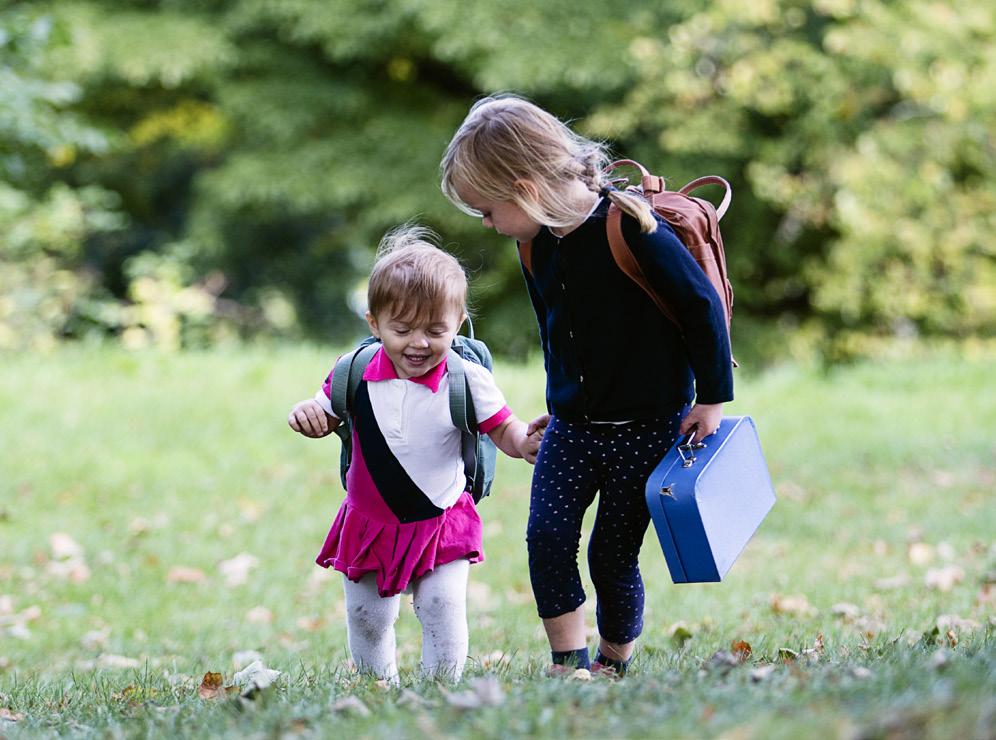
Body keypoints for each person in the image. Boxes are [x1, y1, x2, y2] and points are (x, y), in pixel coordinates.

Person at [440, 94, 734, 677]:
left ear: (524, 186)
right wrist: (561, 400)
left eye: (488, 210)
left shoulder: (632, 228)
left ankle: (613, 660)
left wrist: (711, 397)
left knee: (611, 554)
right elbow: (557, 331)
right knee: (546, 537)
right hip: (573, 430)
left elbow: (700, 307)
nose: (487, 225)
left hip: (647, 428)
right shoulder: (534, 243)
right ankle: (565, 661)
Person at [288, 225, 547, 683]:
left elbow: (502, 429)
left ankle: (441, 689)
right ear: (374, 323)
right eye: (402, 329)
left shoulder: (465, 378)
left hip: (441, 514)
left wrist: (525, 442)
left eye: (435, 330)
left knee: (442, 605)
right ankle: (375, 685)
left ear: (459, 320)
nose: (419, 343)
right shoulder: (354, 370)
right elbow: (324, 412)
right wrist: (308, 416)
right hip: (371, 519)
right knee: (368, 615)